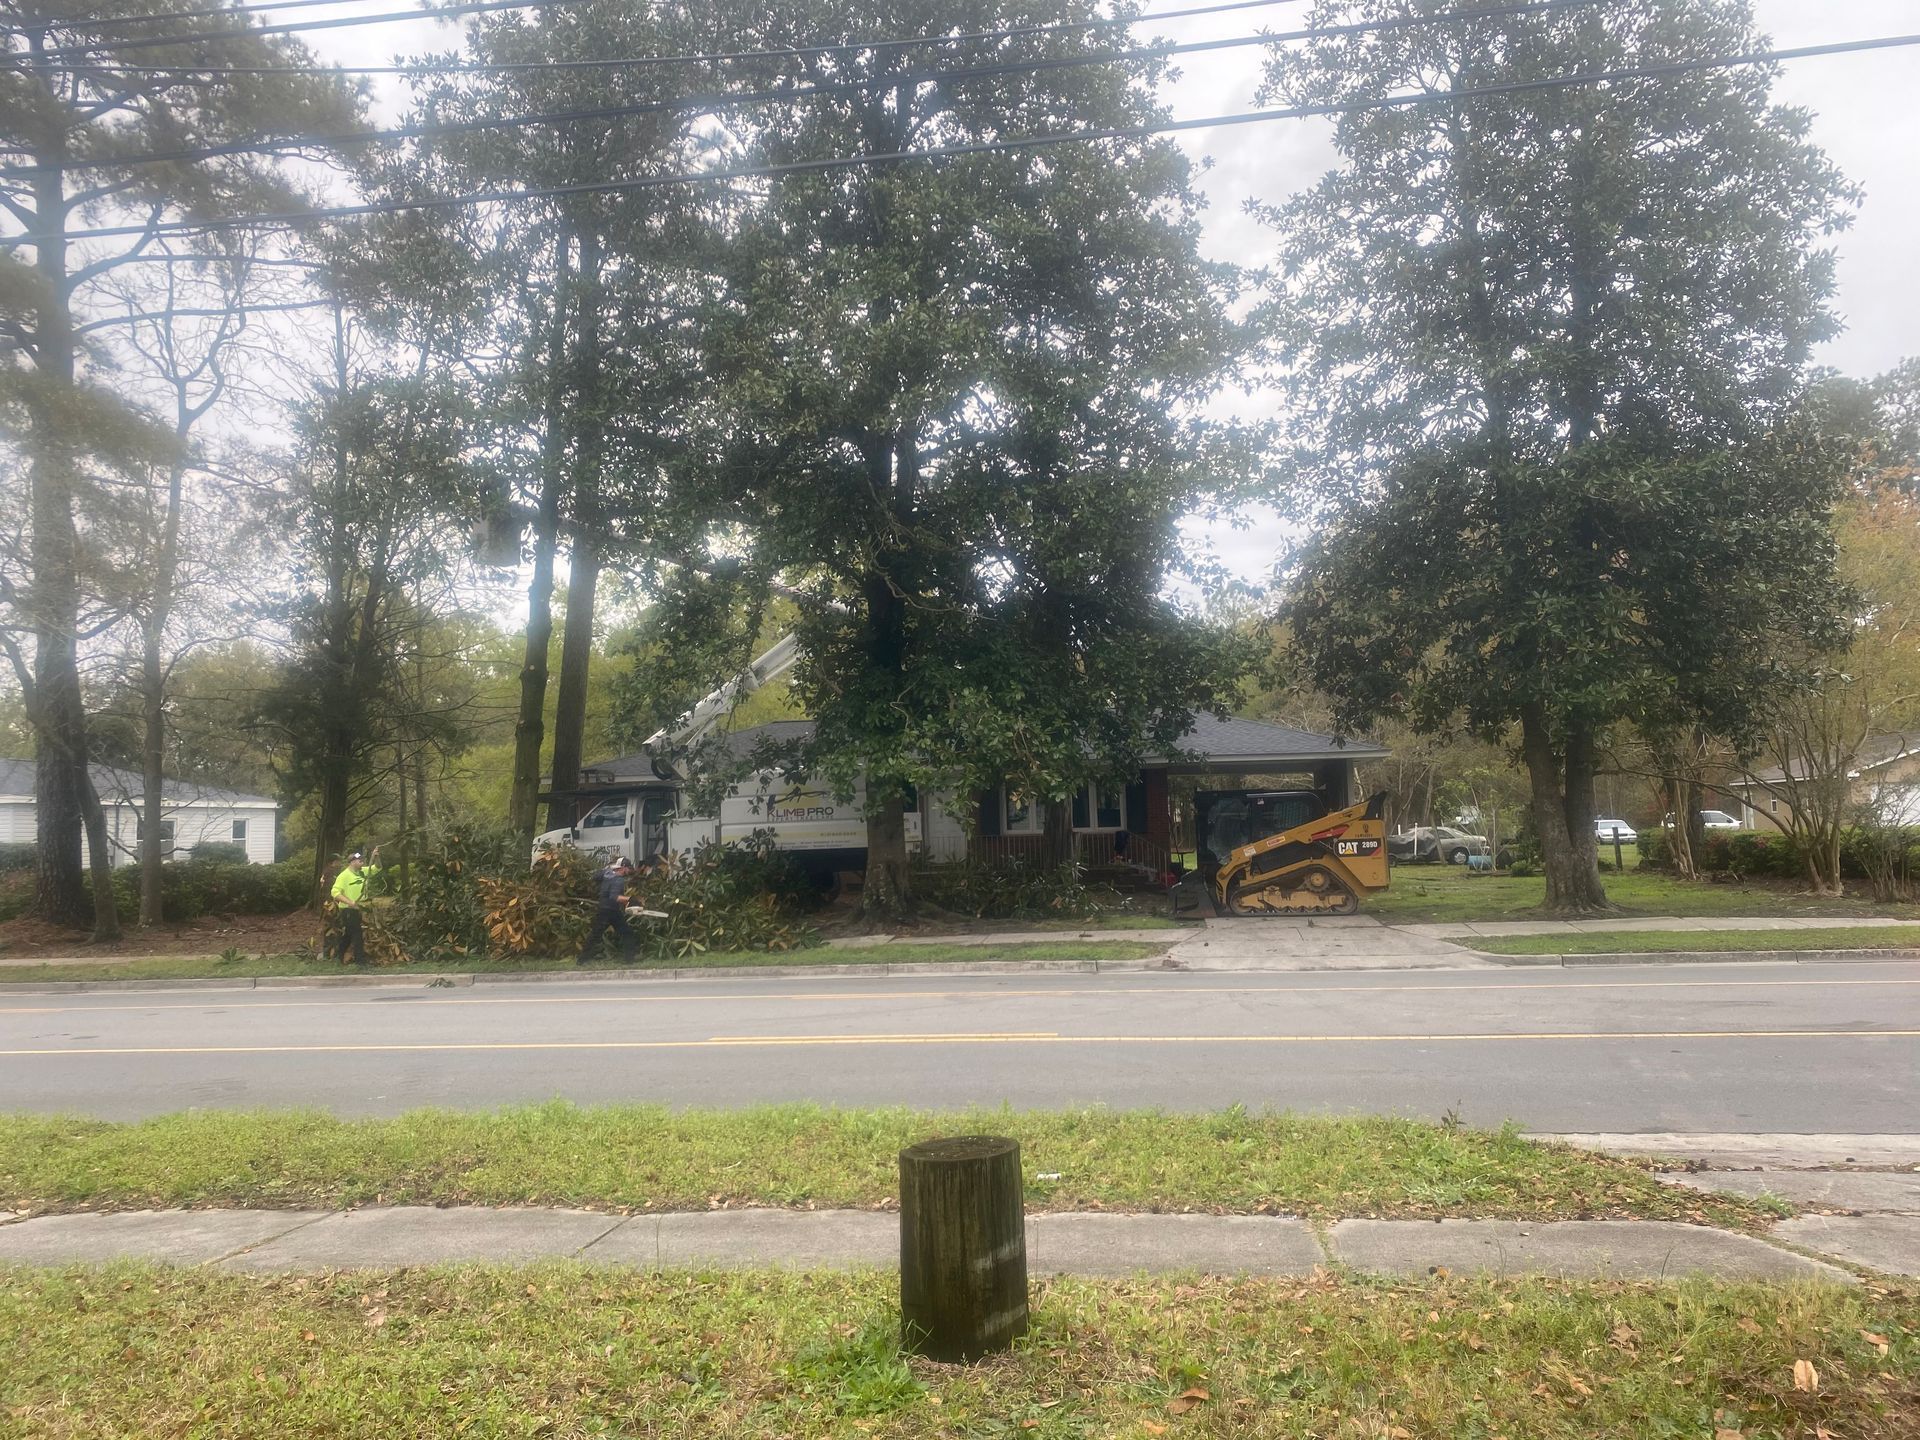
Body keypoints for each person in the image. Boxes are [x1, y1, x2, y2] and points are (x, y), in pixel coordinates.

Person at [579, 855, 638, 966]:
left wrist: (608, 869)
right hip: (611, 911)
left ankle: (582, 960)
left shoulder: (607, 873)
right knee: (627, 933)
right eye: (628, 868)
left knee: (595, 935)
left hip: (605, 909)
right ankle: (629, 961)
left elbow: (595, 877)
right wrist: (631, 899)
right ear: (623, 867)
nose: (629, 871)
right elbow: (614, 897)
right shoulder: (619, 879)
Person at [328, 846, 382, 965]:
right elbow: (335, 892)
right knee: (357, 934)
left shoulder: (363, 871)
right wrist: (350, 902)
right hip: (348, 910)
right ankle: (361, 963)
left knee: (348, 935)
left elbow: (378, 867)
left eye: (362, 860)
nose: (362, 861)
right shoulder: (344, 875)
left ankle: (339, 955)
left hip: (358, 908)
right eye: (359, 860)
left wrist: (376, 856)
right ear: (352, 862)